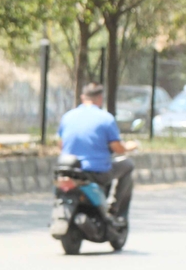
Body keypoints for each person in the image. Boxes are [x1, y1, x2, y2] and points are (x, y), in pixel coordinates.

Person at [57, 83, 138, 221]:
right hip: (96, 173)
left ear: (83, 97)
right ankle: (115, 210)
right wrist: (131, 146)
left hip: (69, 170)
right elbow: (118, 149)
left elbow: (61, 145)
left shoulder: (67, 117)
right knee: (128, 165)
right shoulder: (105, 119)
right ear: (100, 98)